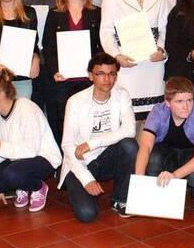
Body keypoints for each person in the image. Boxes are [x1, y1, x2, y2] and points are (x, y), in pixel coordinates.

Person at [58, 52, 137, 222]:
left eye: (112, 74)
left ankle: (120, 199)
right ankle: (82, 188)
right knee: (87, 214)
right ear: (90, 76)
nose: (107, 79)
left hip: (108, 156)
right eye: (100, 74)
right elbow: (68, 145)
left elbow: (130, 129)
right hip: (81, 162)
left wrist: (92, 143)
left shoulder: (121, 94)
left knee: (130, 145)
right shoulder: (76, 101)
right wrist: (86, 179)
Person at [101, 0, 168, 120]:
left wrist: (161, 50)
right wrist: (116, 56)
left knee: (152, 121)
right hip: (126, 63)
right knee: (126, 119)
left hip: (153, 65)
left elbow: (164, 28)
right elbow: (106, 30)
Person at [0, 71, 61, 213]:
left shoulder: (26, 108)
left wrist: (0, 146)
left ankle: (38, 187)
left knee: (12, 174)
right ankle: (21, 184)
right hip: (17, 158)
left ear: (1, 94)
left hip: (43, 157)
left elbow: (31, 150)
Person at [135, 76, 194, 215]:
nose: (186, 106)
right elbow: (145, 146)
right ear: (168, 103)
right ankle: (159, 192)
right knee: (153, 158)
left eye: (190, 100)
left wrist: (174, 175)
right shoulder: (158, 111)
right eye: (179, 101)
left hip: (192, 152)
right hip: (167, 150)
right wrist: (139, 181)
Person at [43, 0, 102, 145]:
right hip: (63, 80)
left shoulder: (96, 12)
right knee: (64, 124)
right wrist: (54, 71)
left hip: (88, 78)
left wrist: (96, 72)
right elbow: (48, 46)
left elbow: (101, 46)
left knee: (89, 123)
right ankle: (66, 165)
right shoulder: (54, 14)